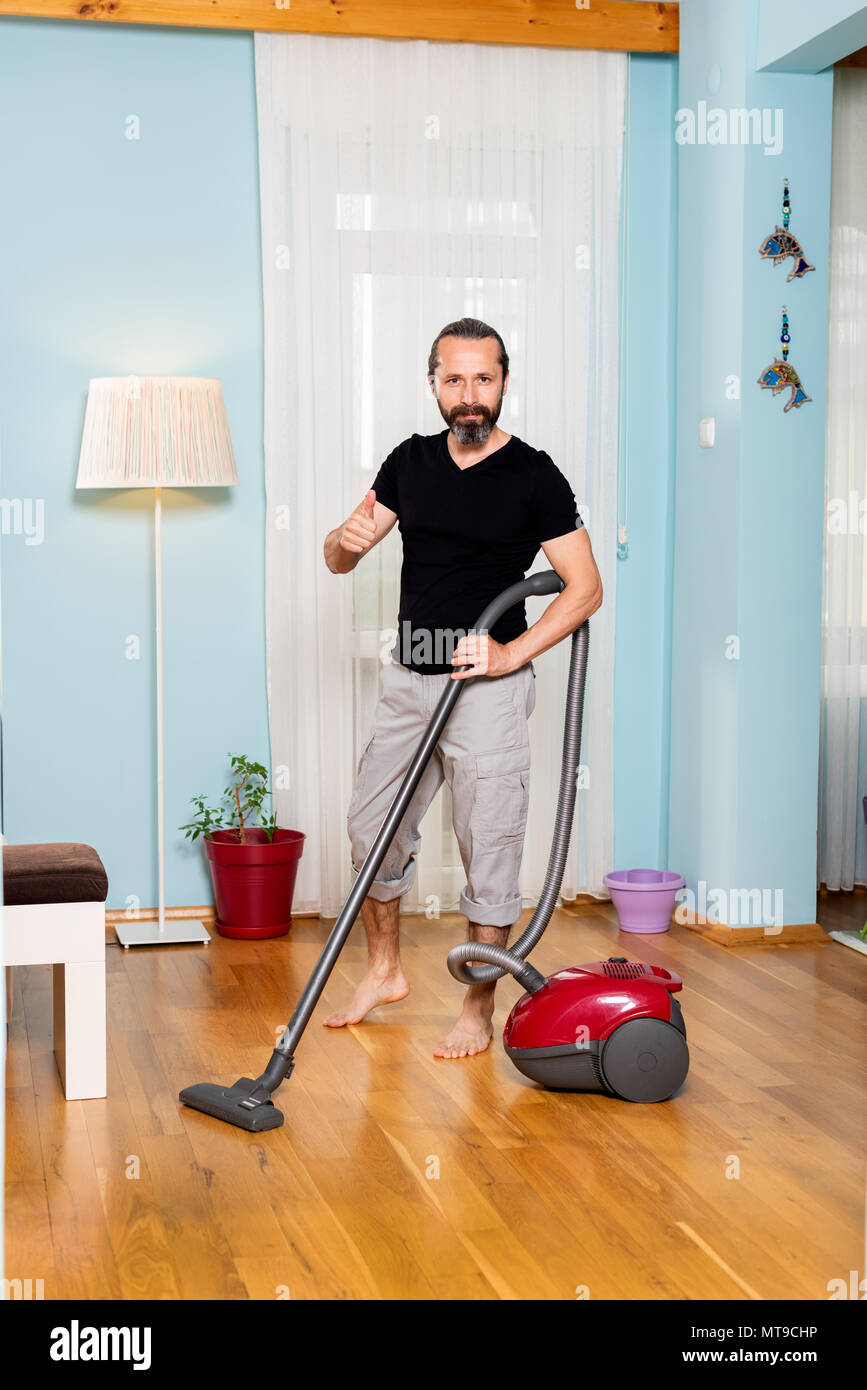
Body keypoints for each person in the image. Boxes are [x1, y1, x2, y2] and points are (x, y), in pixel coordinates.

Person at [322, 317, 603, 1058]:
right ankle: (384, 971)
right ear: (433, 384)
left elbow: (583, 590)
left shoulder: (535, 475)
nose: (468, 394)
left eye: (483, 379)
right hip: (409, 679)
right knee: (371, 832)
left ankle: (476, 1011)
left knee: (490, 849)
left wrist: (511, 654)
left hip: (485, 694)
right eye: (454, 379)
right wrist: (338, 544)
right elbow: (340, 557)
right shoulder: (408, 463)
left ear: (504, 382)